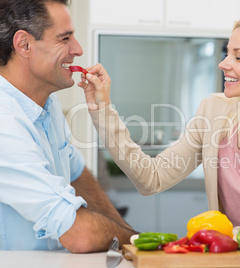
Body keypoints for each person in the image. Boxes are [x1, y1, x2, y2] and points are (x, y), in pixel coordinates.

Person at [81, 16, 240, 246]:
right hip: (230, 257)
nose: (223, 64)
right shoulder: (213, 112)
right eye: (226, 54)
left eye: (238, 57)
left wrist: (217, 237)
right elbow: (151, 178)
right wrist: (102, 109)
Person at [0, 0, 137, 252]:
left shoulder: (47, 104)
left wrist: (129, 238)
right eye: (64, 38)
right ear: (24, 44)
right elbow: (79, 234)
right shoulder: (4, 120)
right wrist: (138, 241)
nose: (78, 49)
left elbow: (77, 175)